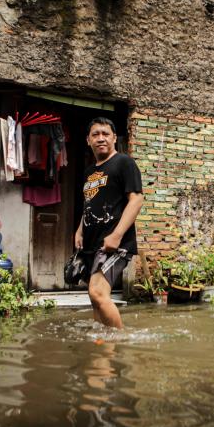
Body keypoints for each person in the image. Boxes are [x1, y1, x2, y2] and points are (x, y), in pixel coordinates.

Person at [74, 117, 144, 329]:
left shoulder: (124, 163)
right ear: (88, 140)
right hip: (92, 242)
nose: (101, 138)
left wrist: (117, 235)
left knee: (98, 292)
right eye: (95, 134)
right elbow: (90, 203)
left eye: (105, 134)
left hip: (115, 241)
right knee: (95, 297)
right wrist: (79, 231)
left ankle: (120, 339)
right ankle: (101, 344)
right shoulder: (89, 172)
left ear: (114, 137)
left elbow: (137, 199)